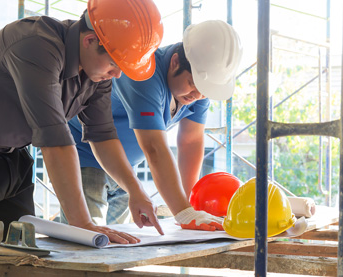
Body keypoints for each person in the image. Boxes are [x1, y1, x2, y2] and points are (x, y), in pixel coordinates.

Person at [0, 0, 165, 244]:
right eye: (115, 64)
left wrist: (136, 192)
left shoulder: (97, 72)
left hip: (14, 156)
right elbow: (55, 139)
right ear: (90, 41)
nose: (117, 75)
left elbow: (103, 134)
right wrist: (83, 224)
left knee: (17, 252)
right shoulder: (36, 44)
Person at [63, 20, 243, 231]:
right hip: (87, 158)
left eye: (204, 90)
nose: (198, 96)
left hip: (125, 170)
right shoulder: (144, 72)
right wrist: (184, 213)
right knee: (88, 242)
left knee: (118, 245)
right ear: (175, 62)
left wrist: (190, 205)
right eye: (193, 85)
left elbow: (191, 141)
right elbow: (154, 147)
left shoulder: (201, 84)